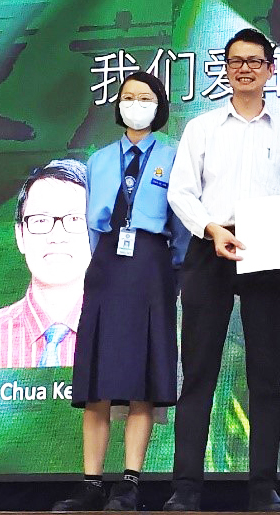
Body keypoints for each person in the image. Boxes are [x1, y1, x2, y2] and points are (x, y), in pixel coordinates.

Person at [167, 27, 280, 513]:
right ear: (225, 69)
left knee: (266, 374)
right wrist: (212, 229)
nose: (245, 68)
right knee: (199, 371)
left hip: (267, 247)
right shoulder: (203, 127)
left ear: (270, 69)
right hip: (212, 246)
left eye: (254, 60)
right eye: (236, 61)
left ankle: (263, 488)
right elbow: (181, 192)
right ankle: (186, 488)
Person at [52, 71, 180, 513]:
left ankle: (129, 482)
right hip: (107, 265)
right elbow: (91, 224)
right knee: (98, 383)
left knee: (142, 379)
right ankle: (91, 483)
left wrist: (169, 267)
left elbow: (181, 228)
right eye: (128, 96)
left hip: (152, 262)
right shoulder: (100, 160)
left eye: (145, 97)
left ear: (159, 105)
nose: (135, 103)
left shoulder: (172, 156)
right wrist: (105, 258)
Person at [0, 159, 91, 369]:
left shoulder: (130, 332)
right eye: (41, 220)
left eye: (75, 219)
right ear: (20, 235)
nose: (57, 236)